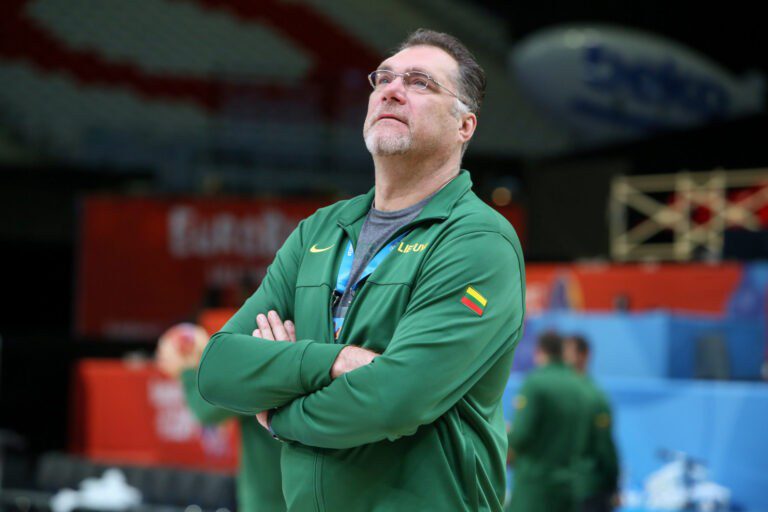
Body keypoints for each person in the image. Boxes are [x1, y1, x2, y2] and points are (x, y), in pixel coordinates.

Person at [197, 28, 526, 511]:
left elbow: (395, 399)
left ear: (465, 126)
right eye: (384, 78)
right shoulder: (320, 230)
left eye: (420, 82)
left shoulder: (477, 240)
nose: (392, 90)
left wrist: (280, 414)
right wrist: (332, 361)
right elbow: (217, 370)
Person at [155, 323, 286, 511]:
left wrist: (188, 370)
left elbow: (205, 411)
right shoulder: (281, 362)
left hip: (273, 499)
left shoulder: (259, 373)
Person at [507, 332, 590, 512]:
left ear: (539, 352)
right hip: (569, 487)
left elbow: (520, 436)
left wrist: (505, 433)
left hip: (535, 489)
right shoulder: (580, 386)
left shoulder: (535, 383)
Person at [563, 335, 621, 512]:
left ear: (584, 355)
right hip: (563, 488)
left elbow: (605, 449)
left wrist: (613, 486)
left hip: (588, 490)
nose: (565, 358)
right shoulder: (559, 394)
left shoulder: (595, 397)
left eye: (569, 352)